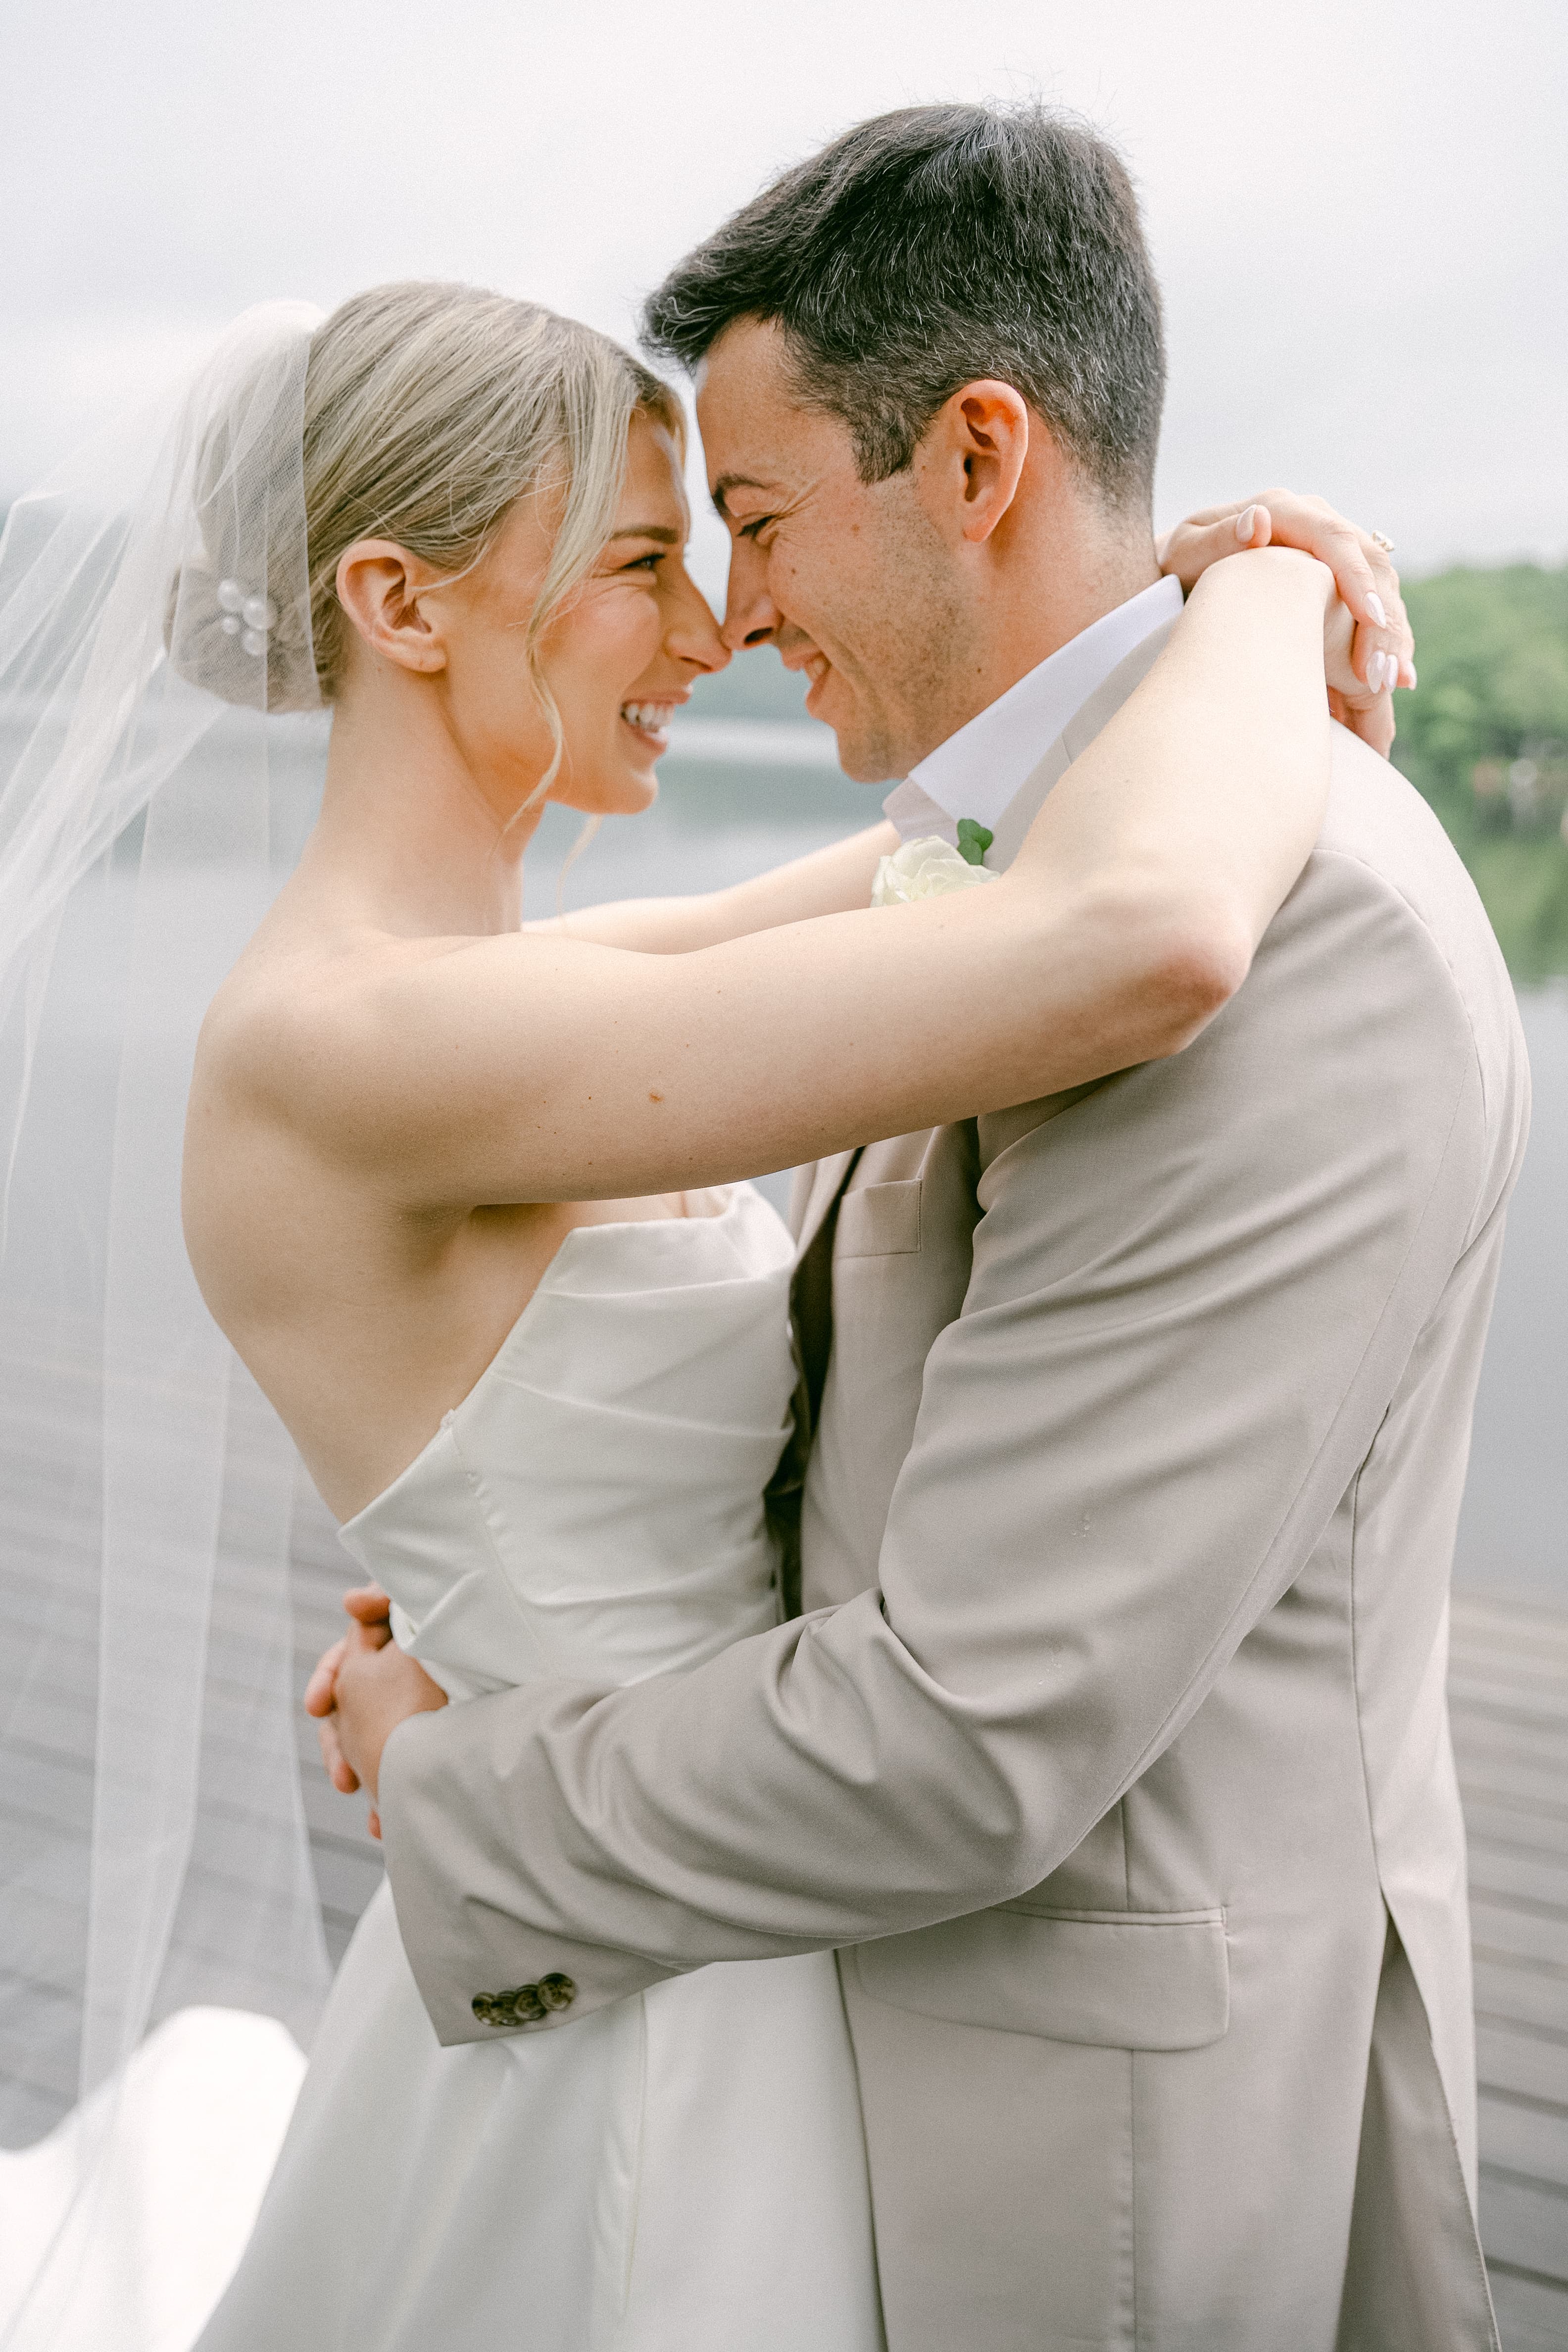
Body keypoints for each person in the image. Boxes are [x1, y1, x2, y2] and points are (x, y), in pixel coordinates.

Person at [315, 108, 1525, 2352]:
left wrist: (455, 1777)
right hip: (837, 2042)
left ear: (976, 459)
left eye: (761, 519)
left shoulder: (1295, 939)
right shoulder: (1009, 857)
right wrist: (529, 1572)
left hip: (1102, 2169)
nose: (733, 610)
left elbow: (975, 1730)